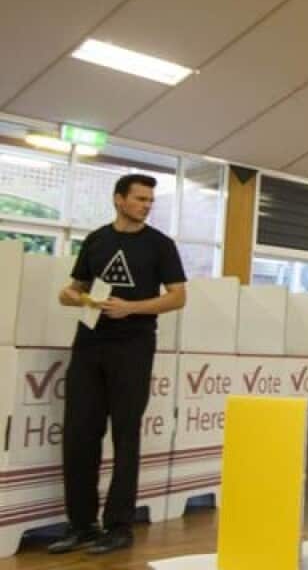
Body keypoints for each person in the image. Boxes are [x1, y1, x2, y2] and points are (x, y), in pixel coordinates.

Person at [51, 173, 187, 555]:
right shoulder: (96, 240)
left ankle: (119, 526)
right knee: (79, 434)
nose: (146, 205)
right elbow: (73, 289)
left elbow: (177, 297)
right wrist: (75, 298)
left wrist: (131, 308)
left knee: (126, 436)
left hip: (134, 347)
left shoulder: (161, 245)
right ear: (118, 200)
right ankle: (82, 525)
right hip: (89, 345)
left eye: (150, 200)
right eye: (140, 199)